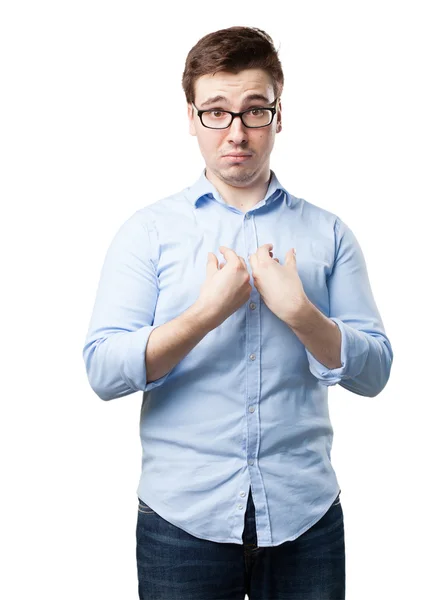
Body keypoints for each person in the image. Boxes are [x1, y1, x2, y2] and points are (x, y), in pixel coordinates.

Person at [83, 25, 393, 600]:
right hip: (182, 521)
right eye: (216, 112)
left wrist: (301, 313)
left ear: (279, 115)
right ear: (192, 116)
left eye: (255, 111)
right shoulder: (148, 233)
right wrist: (205, 313)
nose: (237, 132)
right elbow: (103, 371)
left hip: (305, 518)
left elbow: (376, 372)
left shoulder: (328, 233)